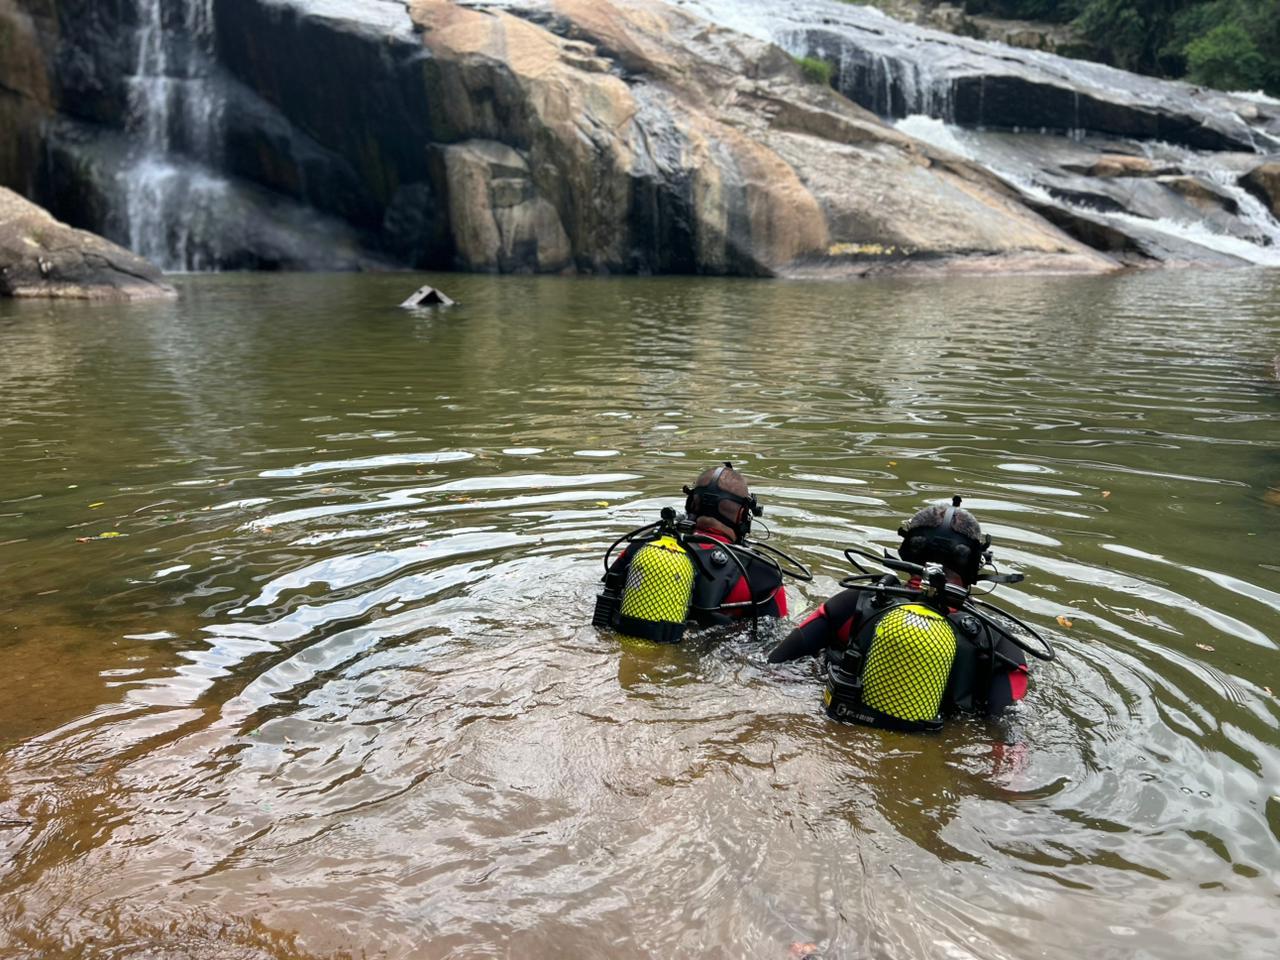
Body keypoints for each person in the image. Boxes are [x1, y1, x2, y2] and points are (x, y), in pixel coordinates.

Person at [768, 497, 1036, 731]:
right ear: (975, 566)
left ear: (907, 552)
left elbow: (775, 665)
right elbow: (1009, 733)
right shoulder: (997, 640)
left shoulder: (854, 603)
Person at [592, 463, 792, 643]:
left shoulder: (645, 543)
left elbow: (606, 589)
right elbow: (774, 641)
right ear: (742, 514)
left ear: (691, 503)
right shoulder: (761, 573)